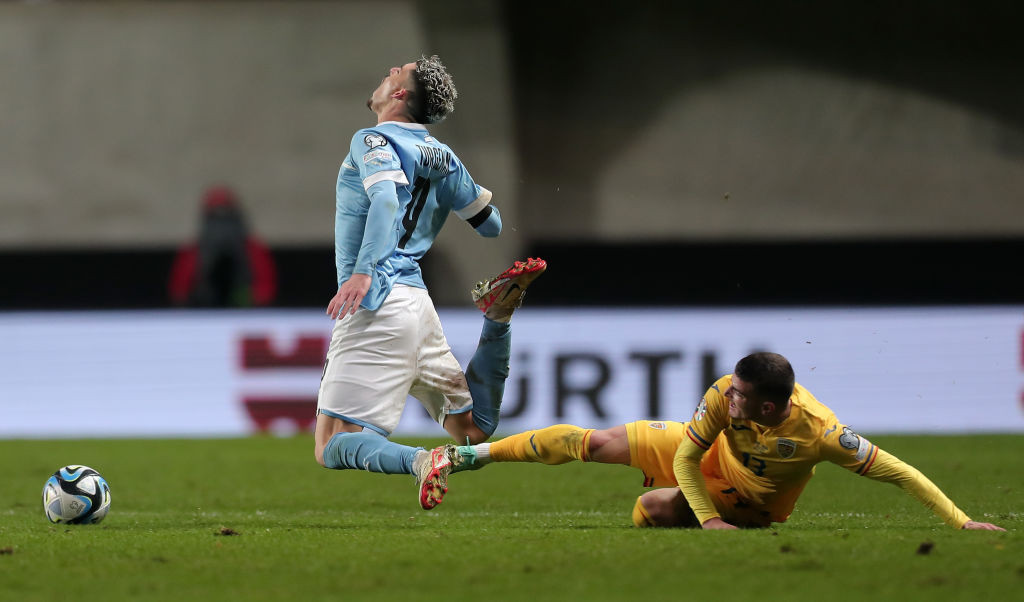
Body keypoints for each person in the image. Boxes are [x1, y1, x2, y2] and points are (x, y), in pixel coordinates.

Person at [312, 54, 546, 510]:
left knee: (332, 443)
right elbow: (491, 224)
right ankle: (497, 321)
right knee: (472, 429)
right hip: (418, 305)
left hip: (379, 301)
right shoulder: (443, 155)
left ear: (399, 94)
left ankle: (422, 460)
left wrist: (362, 271)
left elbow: (384, 201)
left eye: (395, 73)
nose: (387, 73)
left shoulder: (373, 139)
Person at [445, 352, 1005, 531]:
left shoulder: (820, 434)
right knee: (597, 442)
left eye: (739, 395)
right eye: (730, 389)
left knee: (648, 510)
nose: (726, 397)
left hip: (753, 500)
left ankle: (685, 520)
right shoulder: (722, 395)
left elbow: (899, 471)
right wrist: (707, 520)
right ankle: (473, 455)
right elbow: (689, 457)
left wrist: (961, 522)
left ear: (769, 407)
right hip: (713, 459)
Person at [168, 186, 278, 307]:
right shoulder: (193, 251)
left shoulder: (252, 249)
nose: (221, 226)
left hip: (243, 306)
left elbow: (266, 287)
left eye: (227, 216)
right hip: (205, 307)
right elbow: (180, 290)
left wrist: (248, 298)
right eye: (214, 217)